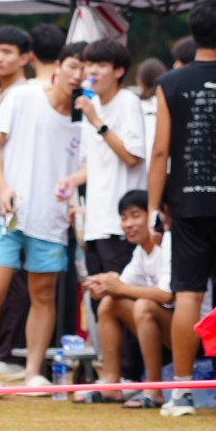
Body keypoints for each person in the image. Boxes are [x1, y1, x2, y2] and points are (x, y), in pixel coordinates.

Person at [0, 43, 84, 393]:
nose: (78, 76)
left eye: (86, 70)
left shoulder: (86, 118)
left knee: (43, 294)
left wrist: (73, 186)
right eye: (74, 66)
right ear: (59, 66)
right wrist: (2, 187)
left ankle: (33, 372)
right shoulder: (24, 96)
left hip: (51, 217)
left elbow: (88, 165)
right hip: (4, 211)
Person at [149, 0, 216, 416]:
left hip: (187, 203)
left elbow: (160, 151)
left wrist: (154, 205)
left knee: (188, 293)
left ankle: (182, 391)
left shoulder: (170, 82)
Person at [62, 38, 146, 279]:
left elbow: (131, 157)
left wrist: (97, 122)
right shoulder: (92, 106)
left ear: (118, 71)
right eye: (89, 65)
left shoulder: (127, 101)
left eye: (101, 65)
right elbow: (91, 165)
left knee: (119, 291)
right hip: (95, 223)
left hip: (121, 224)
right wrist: (69, 182)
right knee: (98, 294)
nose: (92, 71)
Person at [84, 190, 173, 408]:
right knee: (109, 303)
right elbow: (120, 286)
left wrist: (117, 287)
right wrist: (103, 286)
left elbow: (166, 295)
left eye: (135, 215)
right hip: (165, 328)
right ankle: (112, 384)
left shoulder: (169, 242)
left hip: (191, 334)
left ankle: (154, 391)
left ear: (153, 216)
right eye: (123, 218)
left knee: (144, 306)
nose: (128, 224)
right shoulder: (142, 251)